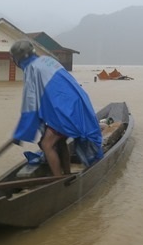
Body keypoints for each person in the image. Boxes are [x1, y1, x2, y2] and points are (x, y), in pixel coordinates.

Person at [10, 39, 103, 176]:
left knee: (46, 145)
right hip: (78, 103)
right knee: (60, 141)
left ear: (17, 59)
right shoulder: (47, 60)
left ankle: (58, 180)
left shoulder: (31, 69)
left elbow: (30, 106)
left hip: (64, 110)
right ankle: (66, 173)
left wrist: (20, 134)